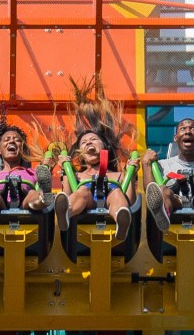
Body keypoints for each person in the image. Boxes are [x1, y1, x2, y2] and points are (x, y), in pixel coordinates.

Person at [52, 76, 139, 242]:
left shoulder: (118, 175)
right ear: (80, 152)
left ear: (104, 146)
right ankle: (66, 213)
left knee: (116, 193)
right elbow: (67, 193)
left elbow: (131, 200)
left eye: (93, 140)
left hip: (110, 200)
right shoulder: (76, 176)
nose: (88, 143)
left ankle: (121, 219)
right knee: (82, 192)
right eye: (84, 142)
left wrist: (132, 173)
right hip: (86, 203)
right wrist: (65, 173)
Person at [0, 111, 54, 212]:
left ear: (22, 149)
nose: (11, 141)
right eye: (7, 139)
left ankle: (43, 196)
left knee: (32, 194)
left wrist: (47, 168)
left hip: (26, 203)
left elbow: (42, 178)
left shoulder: (32, 172)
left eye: (17, 140)